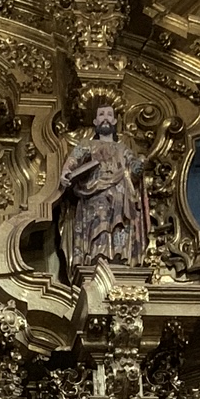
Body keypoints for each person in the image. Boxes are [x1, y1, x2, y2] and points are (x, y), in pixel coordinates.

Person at [56, 103, 148, 274]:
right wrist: (65, 172)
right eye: (101, 115)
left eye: (108, 115)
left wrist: (140, 164)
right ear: (95, 121)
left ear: (113, 121)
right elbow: (73, 160)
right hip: (94, 191)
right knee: (99, 216)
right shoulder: (87, 144)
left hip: (120, 192)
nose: (105, 118)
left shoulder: (123, 148)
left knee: (120, 221)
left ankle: (118, 255)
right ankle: (96, 254)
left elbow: (133, 170)